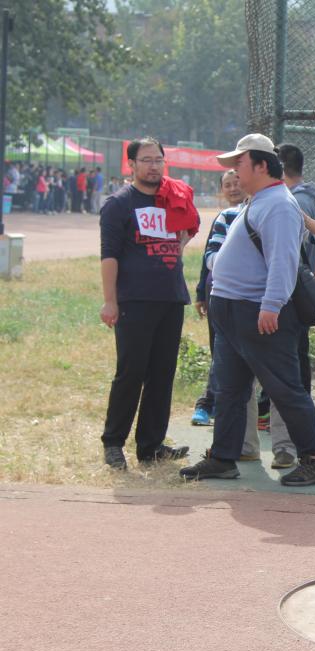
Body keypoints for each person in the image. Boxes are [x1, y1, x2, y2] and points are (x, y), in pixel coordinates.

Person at [179, 133, 315, 486]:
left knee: (285, 389)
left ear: (262, 166)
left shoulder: (278, 204)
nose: (234, 173)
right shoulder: (261, 201)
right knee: (230, 389)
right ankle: (223, 457)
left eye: (240, 163)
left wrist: (271, 305)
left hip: (259, 314)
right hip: (236, 314)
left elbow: (283, 261)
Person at [99, 137, 194, 469]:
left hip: (170, 297)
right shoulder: (118, 204)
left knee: (162, 374)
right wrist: (109, 301)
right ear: (132, 165)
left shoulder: (172, 198)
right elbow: (109, 256)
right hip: (134, 300)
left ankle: (151, 446)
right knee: (131, 372)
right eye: (147, 160)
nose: (154, 166)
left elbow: (185, 232)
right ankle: (113, 443)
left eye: (158, 160)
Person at [267, 143, 315, 470]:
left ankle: (302, 441)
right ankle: (296, 434)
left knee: (292, 372)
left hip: (292, 297)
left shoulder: (295, 201)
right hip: (289, 295)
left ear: (278, 166)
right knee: (291, 368)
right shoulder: (291, 198)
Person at [192, 170, 248, 428]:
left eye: (236, 182)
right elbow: (209, 257)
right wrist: (200, 293)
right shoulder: (223, 217)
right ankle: (207, 403)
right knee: (220, 351)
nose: (233, 188)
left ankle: (240, 408)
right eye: (227, 185)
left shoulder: (257, 213)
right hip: (218, 293)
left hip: (246, 295)